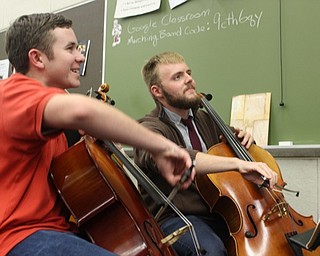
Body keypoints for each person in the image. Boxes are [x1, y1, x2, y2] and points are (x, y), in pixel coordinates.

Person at [0, 14, 194, 256]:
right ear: (37, 58)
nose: (80, 56)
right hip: (19, 236)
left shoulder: (53, 112)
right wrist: (162, 147)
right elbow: (82, 111)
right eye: (70, 48)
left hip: (59, 229)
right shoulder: (12, 93)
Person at [134, 52, 278, 256]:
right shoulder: (147, 129)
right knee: (212, 251)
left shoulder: (206, 119)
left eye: (188, 73)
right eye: (177, 77)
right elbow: (177, 156)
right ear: (157, 91)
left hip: (222, 212)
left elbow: (235, 145)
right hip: (179, 218)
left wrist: (245, 139)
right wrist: (237, 164)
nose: (189, 80)